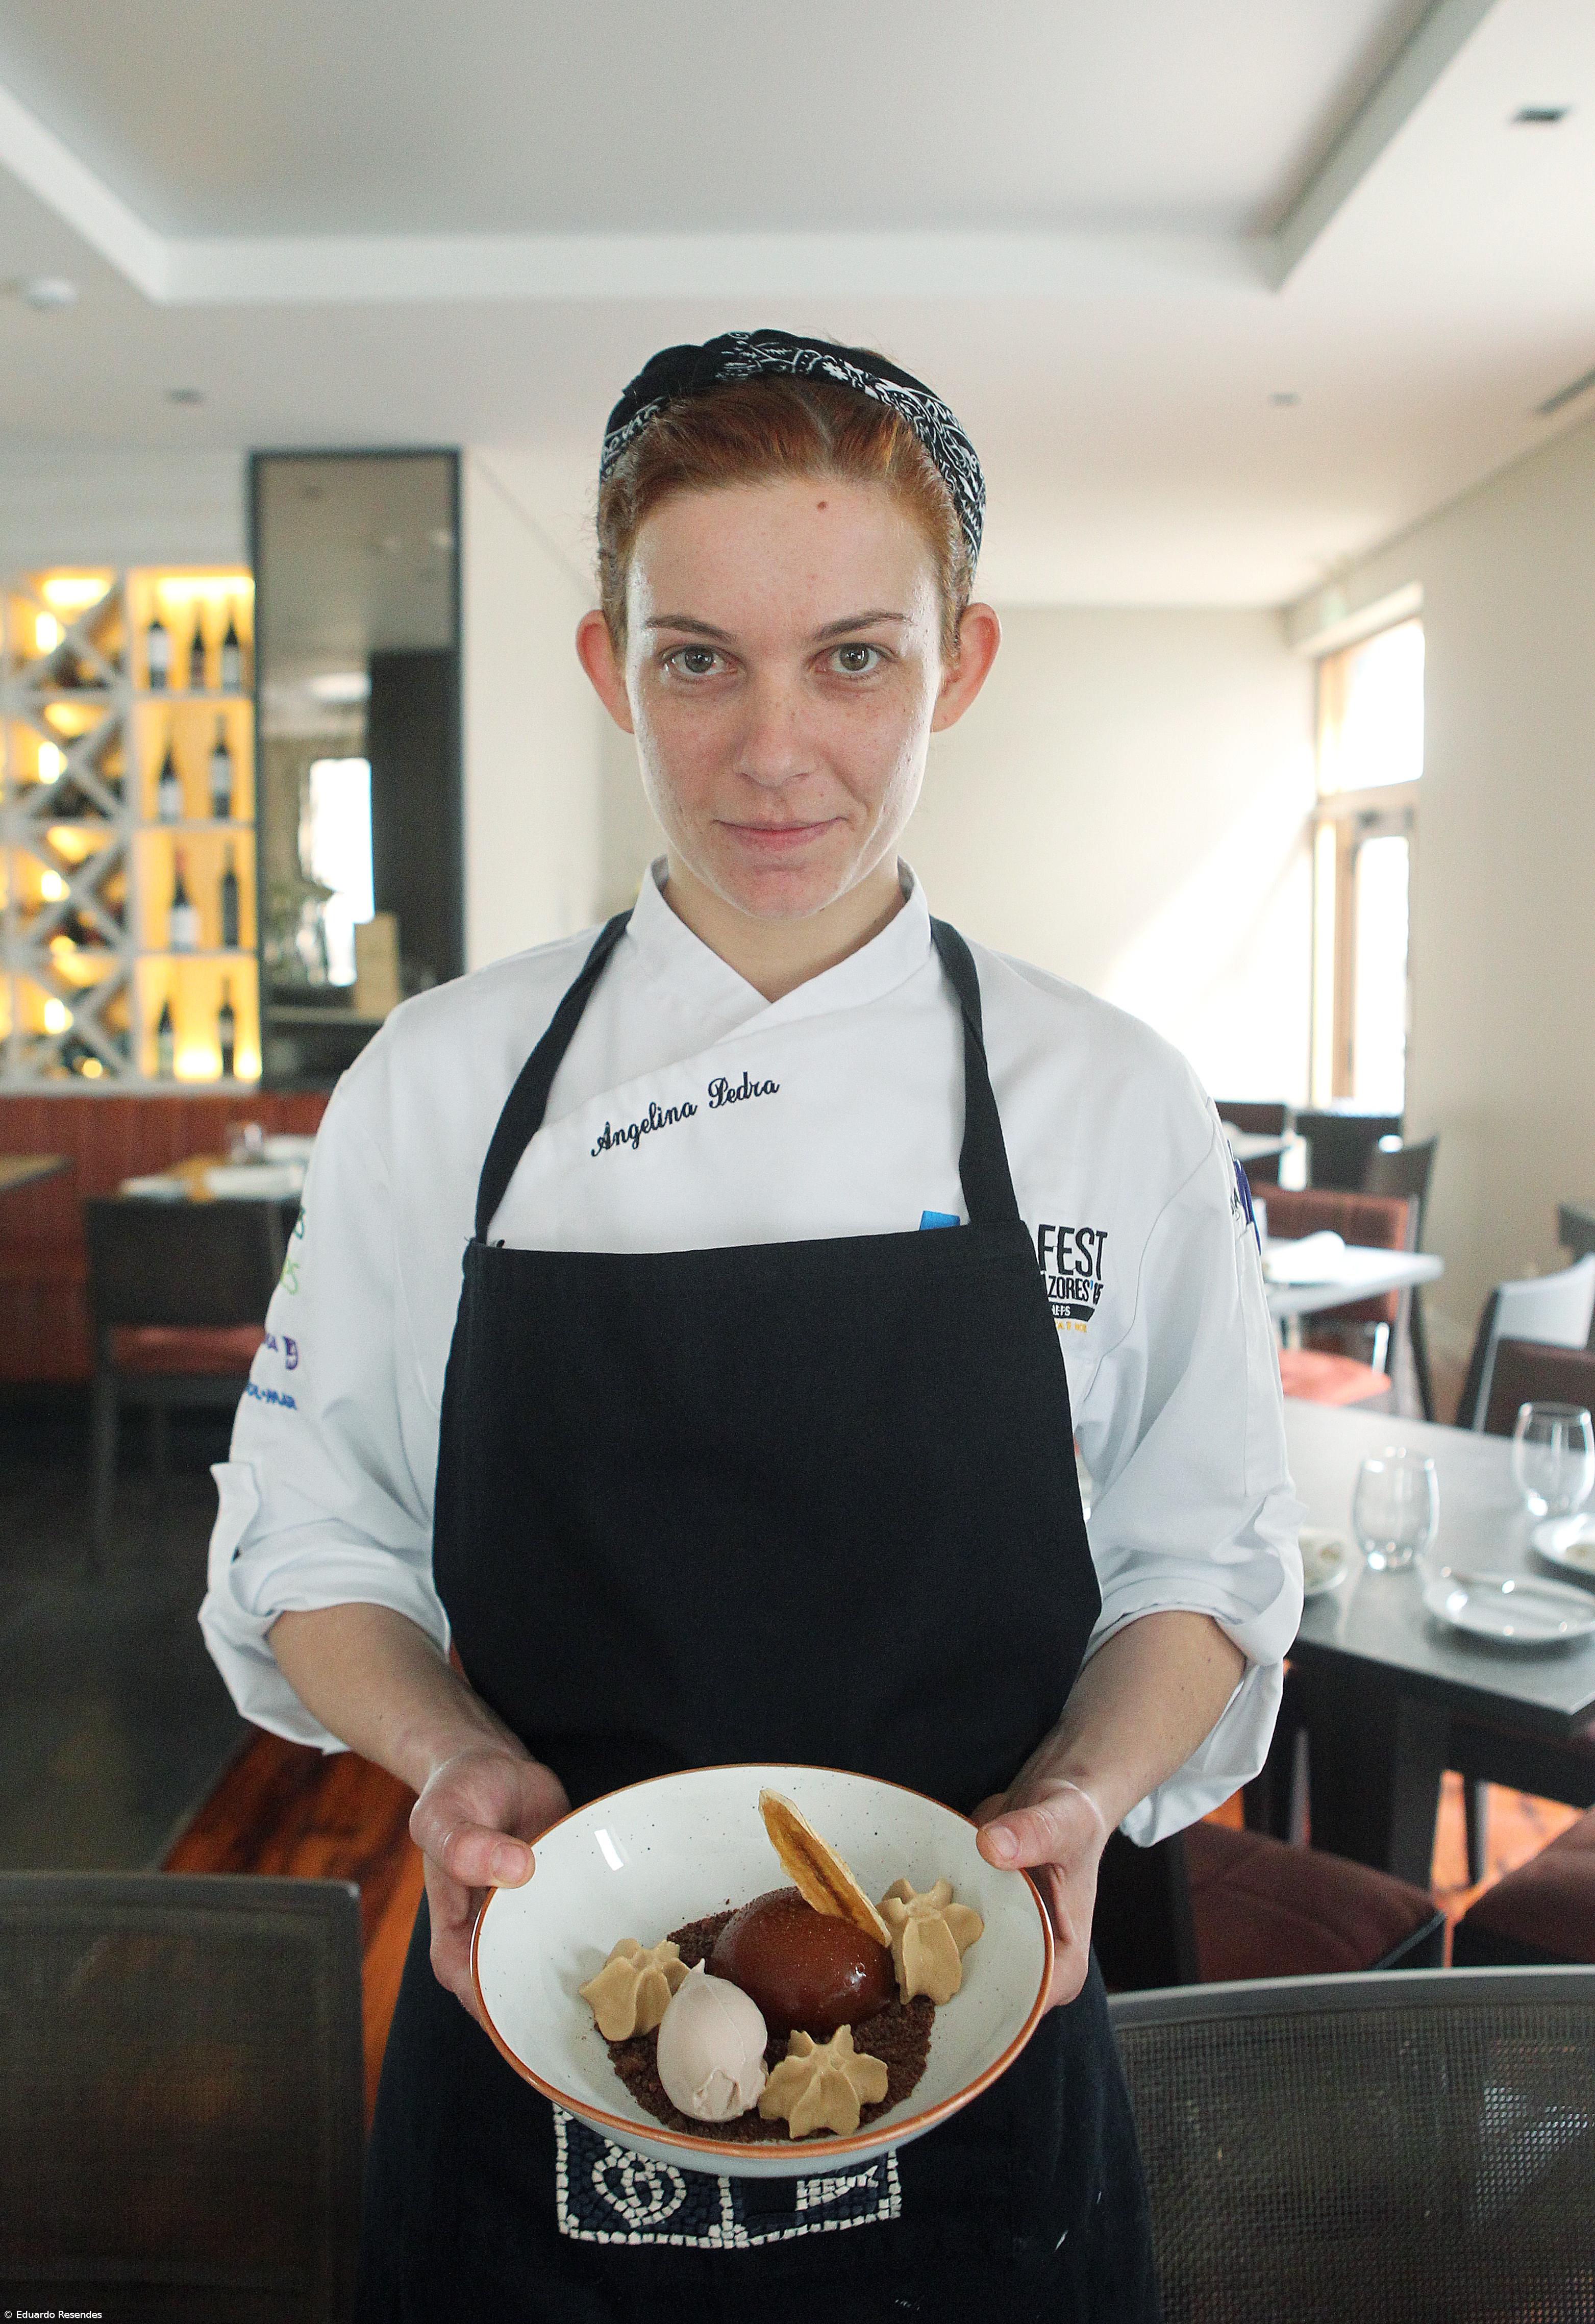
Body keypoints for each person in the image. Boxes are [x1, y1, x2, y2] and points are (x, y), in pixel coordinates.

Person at [200, 328, 1302, 2321]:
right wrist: (451, 1759)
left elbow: (1203, 1559)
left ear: (958, 663)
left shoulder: (1110, 1099)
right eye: (698, 657)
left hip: (989, 2007)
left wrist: (1076, 1792)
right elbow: (311, 1537)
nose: (773, 750)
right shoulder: (438, 1087)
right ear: (609, 664)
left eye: (853, 658)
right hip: (534, 2006)